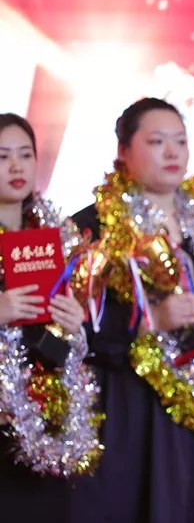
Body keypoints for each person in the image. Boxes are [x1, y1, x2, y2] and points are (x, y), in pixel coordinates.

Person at [69, 98, 194, 523]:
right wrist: (152, 320)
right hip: (133, 408)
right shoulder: (93, 228)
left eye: (180, 141)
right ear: (123, 151)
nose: (172, 152)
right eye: (157, 142)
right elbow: (77, 328)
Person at [0, 113, 103, 523]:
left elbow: (77, 339)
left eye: (25, 154)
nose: (16, 166)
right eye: (2, 156)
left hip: (46, 411)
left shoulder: (55, 238)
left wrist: (74, 323)